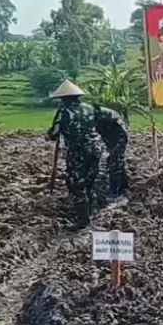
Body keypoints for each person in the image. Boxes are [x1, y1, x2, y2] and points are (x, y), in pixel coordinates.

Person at [46, 80, 103, 227]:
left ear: (64, 99)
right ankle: (94, 213)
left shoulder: (64, 111)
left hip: (79, 152)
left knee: (76, 184)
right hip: (96, 149)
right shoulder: (89, 108)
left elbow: (54, 133)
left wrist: (49, 135)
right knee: (90, 181)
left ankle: (82, 220)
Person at [93, 105, 129, 199]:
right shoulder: (97, 115)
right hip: (111, 139)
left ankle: (115, 192)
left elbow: (121, 133)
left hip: (119, 138)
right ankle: (124, 187)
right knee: (116, 162)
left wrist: (115, 148)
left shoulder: (105, 115)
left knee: (114, 163)